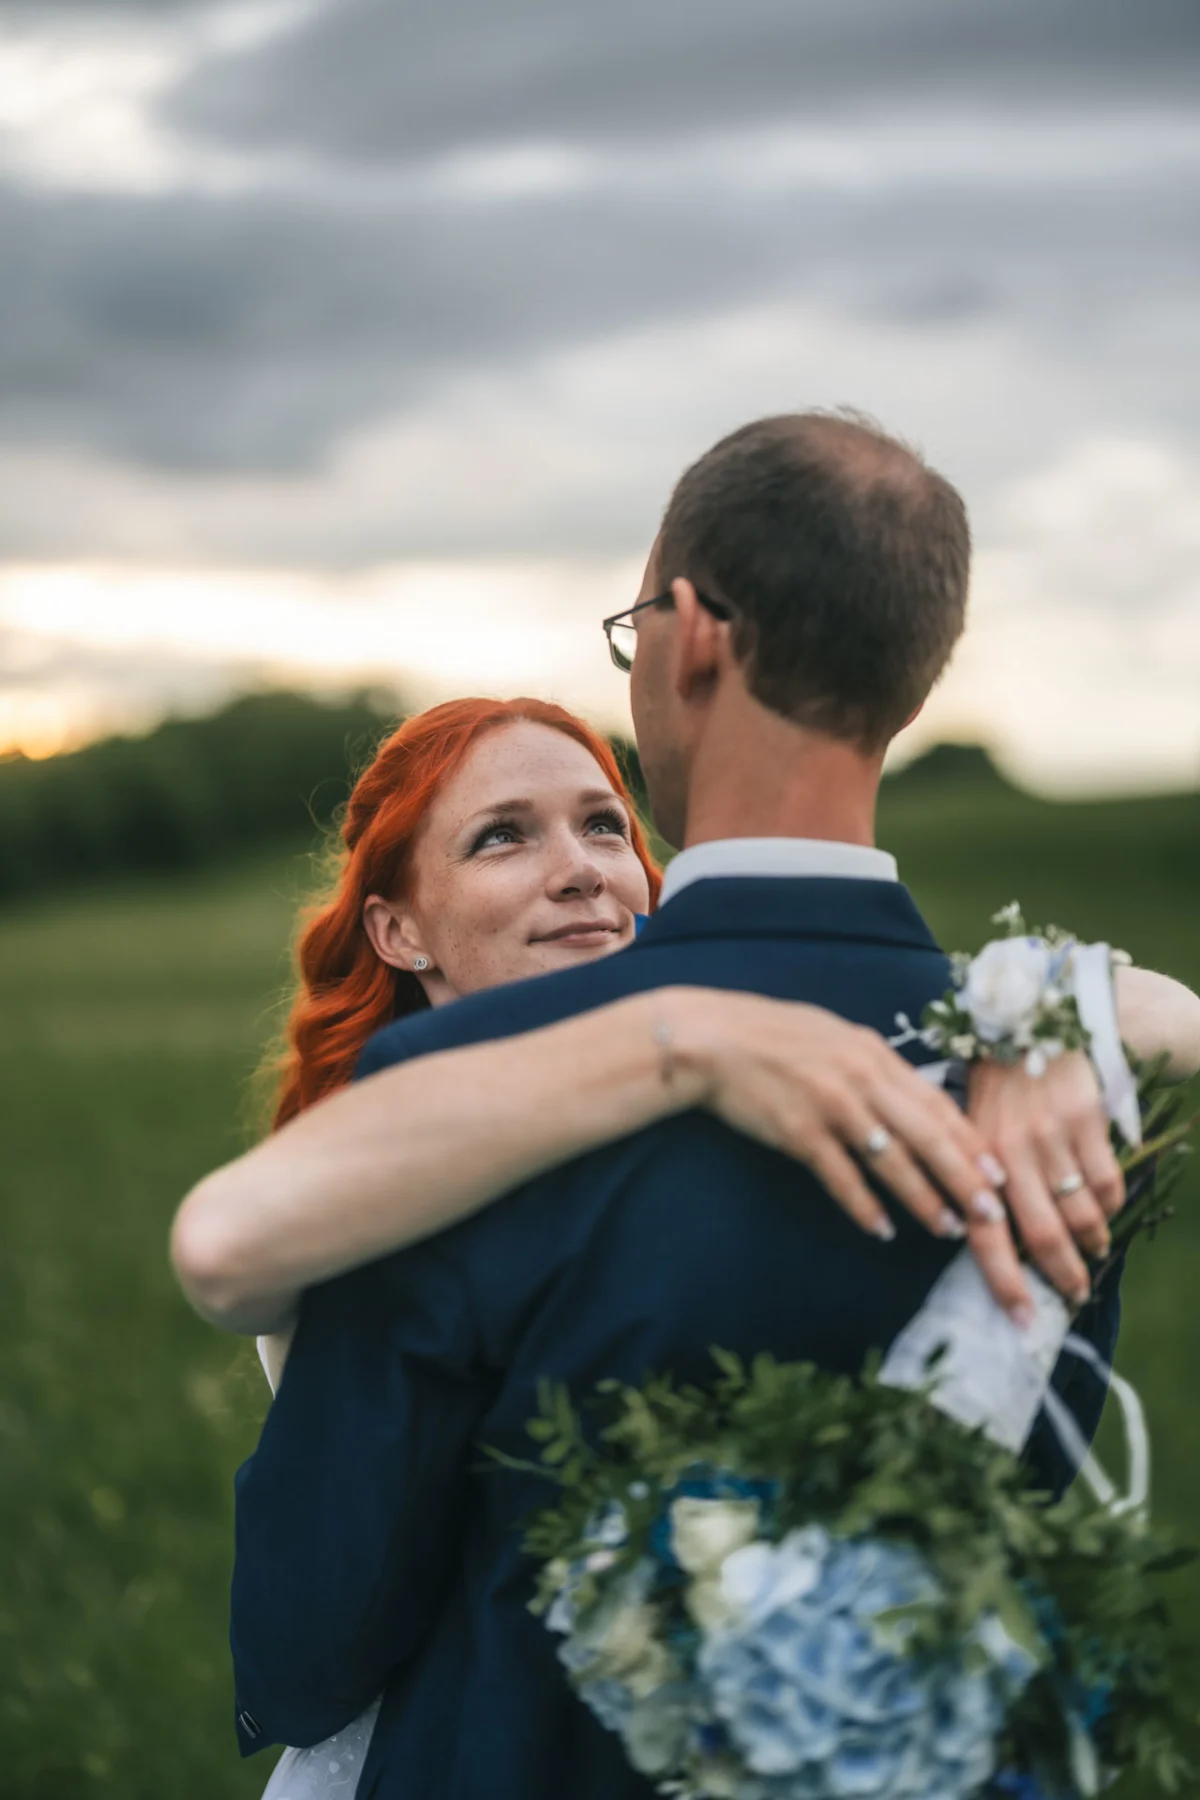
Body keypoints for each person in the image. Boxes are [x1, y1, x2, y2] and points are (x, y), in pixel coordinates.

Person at [217, 413, 1200, 1800]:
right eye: (506, 836)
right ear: (911, 677)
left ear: (689, 638)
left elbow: (321, 1632)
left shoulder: (464, 1099)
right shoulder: (1057, 1077)